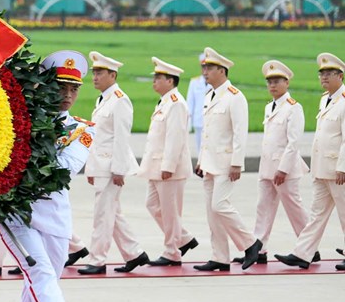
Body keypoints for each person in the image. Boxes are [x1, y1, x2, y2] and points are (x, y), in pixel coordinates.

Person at [0, 50, 98, 302]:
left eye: (73, 88)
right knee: (40, 275)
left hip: (55, 220)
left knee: (36, 300)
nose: (67, 94)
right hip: (14, 216)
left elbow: (61, 171)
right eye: (60, 85)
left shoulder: (83, 131)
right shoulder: (15, 118)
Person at [194, 47, 263, 272]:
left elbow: (239, 132)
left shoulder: (235, 97)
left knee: (220, 205)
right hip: (210, 163)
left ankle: (251, 244)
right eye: (204, 67)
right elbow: (208, 133)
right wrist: (200, 160)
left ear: (222, 71)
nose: (205, 71)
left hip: (226, 163)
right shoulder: (210, 95)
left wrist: (237, 163)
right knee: (212, 213)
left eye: (210, 68)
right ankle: (220, 257)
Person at [79, 52, 148, 275]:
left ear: (113, 75)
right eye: (94, 73)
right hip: (101, 166)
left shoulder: (120, 100)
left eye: (99, 73)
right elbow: (98, 137)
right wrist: (90, 167)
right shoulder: (103, 100)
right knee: (112, 214)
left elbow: (121, 138)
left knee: (103, 214)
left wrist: (119, 170)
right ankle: (135, 253)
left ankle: (97, 260)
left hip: (111, 168)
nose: (95, 77)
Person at [275, 53, 345, 270]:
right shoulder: (326, 99)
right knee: (316, 214)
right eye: (321, 73)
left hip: (337, 169)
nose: (323, 77)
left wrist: (343, 166)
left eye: (329, 73)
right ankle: (303, 253)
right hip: (322, 168)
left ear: (340, 76)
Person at [248, 61, 308, 264]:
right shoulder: (269, 107)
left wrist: (283, 169)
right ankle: (259, 249)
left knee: (294, 208)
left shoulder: (294, 108)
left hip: (285, 170)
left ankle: (309, 247)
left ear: (287, 83)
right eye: (269, 82)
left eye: (277, 81)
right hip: (267, 168)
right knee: (263, 208)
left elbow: (294, 142)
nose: (272, 86)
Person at [140, 57, 198, 266]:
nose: (154, 81)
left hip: (168, 168)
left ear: (170, 81)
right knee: (152, 205)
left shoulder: (176, 104)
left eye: (158, 78)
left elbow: (176, 138)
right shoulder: (165, 101)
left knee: (170, 210)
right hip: (157, 166)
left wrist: (168, 166)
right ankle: (184, 239)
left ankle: (172, 251)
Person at [186, 54, 208, 153]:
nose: (205, 70)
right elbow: (190, 103)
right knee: (200, 147)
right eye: (203, 67)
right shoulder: (194, 82)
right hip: (198, 120)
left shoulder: (215, 83)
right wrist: (188, 123)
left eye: (208, 67)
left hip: (212, 121)